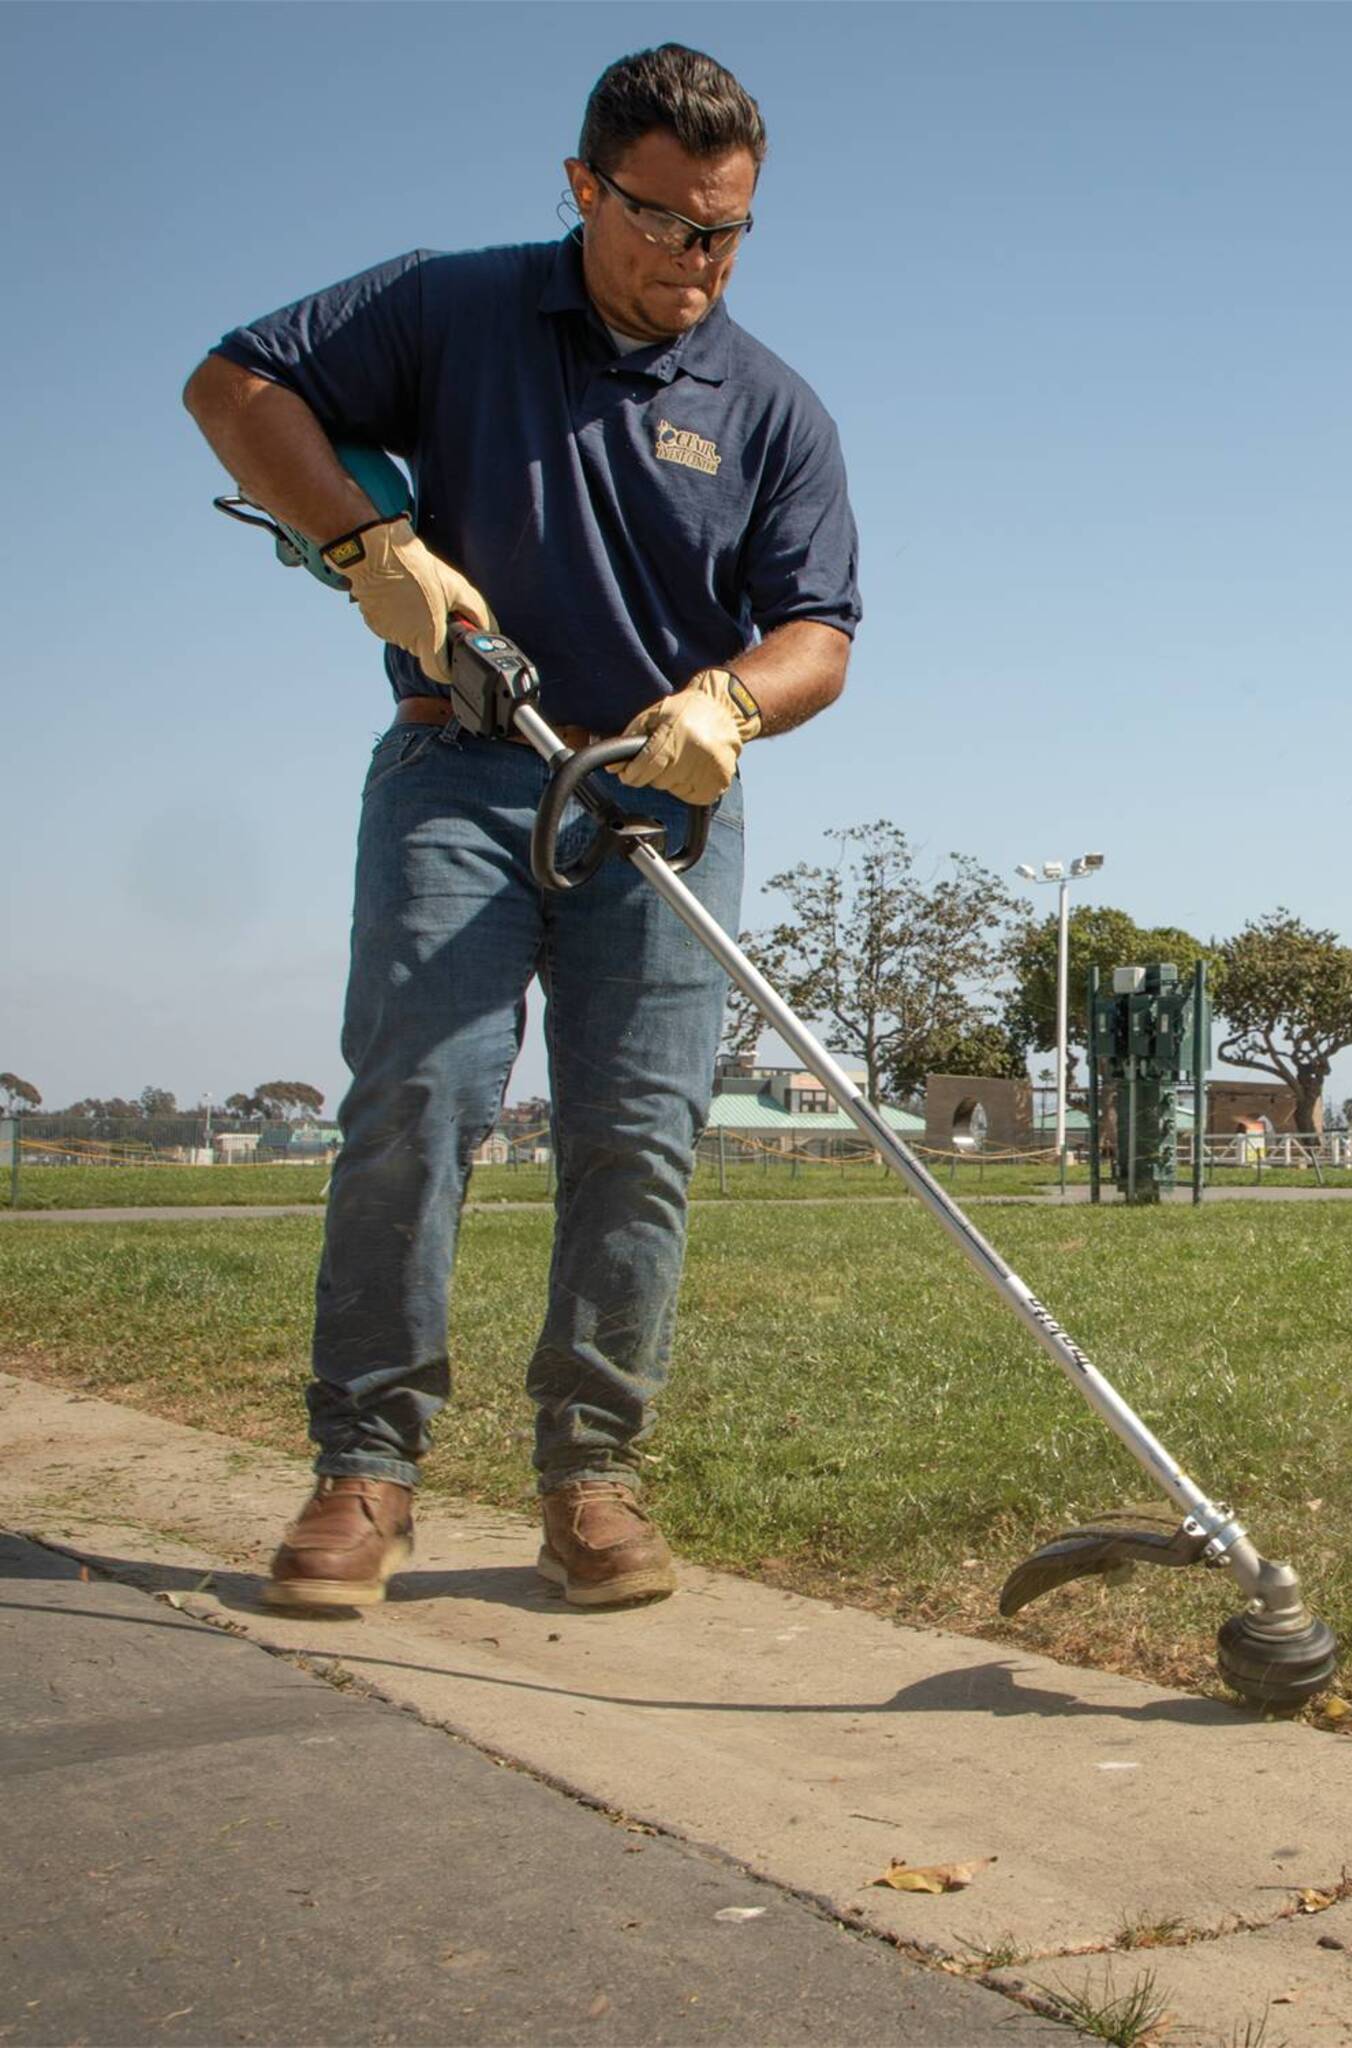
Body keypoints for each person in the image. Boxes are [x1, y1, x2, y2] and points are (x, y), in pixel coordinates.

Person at [183, 44, 859, 1611]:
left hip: (664, 805)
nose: (699, 262)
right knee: (416, 1106)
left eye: (729, 231)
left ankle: (593, 1483)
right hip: (462, 774)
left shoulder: (772, 408)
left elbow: (818, 632)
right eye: (667, 224)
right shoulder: (454, 306)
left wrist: (734, 709)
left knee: (638, 1146)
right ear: (582, 187)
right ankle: (365, 1469)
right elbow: (234, 387)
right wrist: (368, 545)